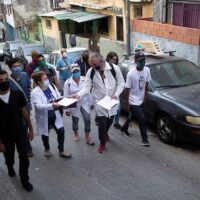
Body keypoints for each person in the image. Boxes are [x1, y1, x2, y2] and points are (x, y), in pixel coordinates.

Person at [72, 53, 124, 153]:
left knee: (109, 121)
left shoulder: (114, 68)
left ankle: (105, 133)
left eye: (96, 64)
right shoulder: (91, 71)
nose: (94, 67)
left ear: (102, 61)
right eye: (92, 65)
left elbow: (121, 83)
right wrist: (79, 94)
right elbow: (87, 86)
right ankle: (102, 143)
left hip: (112, 100)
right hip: (99, 101)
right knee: (102, 124)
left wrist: (116, 94)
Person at [0, 70, 34, 192]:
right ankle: (9, 166)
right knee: (9, 157)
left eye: (6, 80)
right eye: (1, 81)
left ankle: (24, 179)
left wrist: (30, 129)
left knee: (24, 157)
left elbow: (24, 112)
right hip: (5, 136)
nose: (4, 82)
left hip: (20, 132)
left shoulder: (17, 94)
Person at [31, 71, 72, 158]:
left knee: (61, 131)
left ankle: (61, 150)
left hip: (55, 114)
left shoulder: (51, 86)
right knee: (45, 133)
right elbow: (38, 106)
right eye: (45, 79)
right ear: (39, 82)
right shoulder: (35, 92)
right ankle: (47, 149)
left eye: (47, 78)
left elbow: (58, 97)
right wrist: (51, 105)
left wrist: (66, 100)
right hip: (44, 116)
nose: (47, 80)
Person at [121, 52, 151, 146]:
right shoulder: (131, 74)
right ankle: (145, 139)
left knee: (132, 115)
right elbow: (127, 89)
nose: (142, 62)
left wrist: (145, 94)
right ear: (136, 62)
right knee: (142, 118)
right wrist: (127, 103)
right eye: (140, 61)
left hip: (141, 98)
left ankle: (124, 128)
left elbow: (146, 83)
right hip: (133, 100)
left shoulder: (147, 70)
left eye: (143, 60)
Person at [8, 58, 33, 157]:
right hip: (17, 110)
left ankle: (27, 140)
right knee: (23, 127)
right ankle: (28, 149)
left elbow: (28, 90)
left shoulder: (24, 75)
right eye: (15, 66)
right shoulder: (8, 81)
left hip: (26, 106)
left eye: (18, 66)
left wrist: (29, 104)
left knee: (26, 125)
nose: (17, 68)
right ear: (10, 68)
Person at [63, 64, 94, 145]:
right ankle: (75, 132)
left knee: (87, 119)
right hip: (73, 105)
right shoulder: (68, 83)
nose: (76, 72)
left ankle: (87, 136)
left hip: (84, 102)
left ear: (80, 71)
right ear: (71, 72)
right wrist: (67, 109)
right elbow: (66, 96)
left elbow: (88, 92)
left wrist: (91, 103)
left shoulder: (85, 79)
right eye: (74, 71)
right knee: (75, 120)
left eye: (77, 71)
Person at [106, 51, 122, 129]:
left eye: (116, 60)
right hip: (105, 97)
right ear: (108, 59)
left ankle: (116, 122)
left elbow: (121, 82)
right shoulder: (103, 69)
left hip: (115, 96)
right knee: (106, 116)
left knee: (117, 109)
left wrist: (116, 94)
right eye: (113, 59)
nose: (114, 61)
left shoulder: (116, 69)